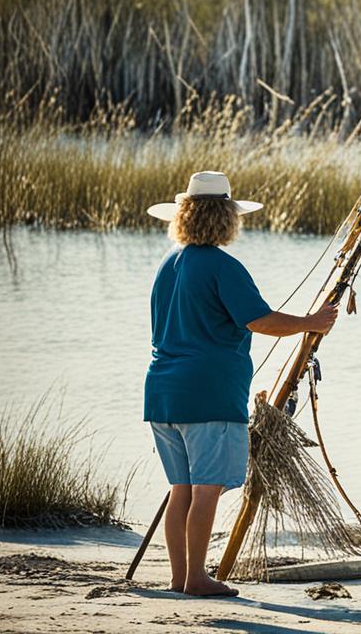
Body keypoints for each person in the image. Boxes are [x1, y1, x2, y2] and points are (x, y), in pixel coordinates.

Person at [144, 171, 338, 596]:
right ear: (226, 218)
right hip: (208, 395)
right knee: (206, 490)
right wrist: (312, 322)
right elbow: (260, 320)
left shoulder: (167, 265)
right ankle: (195, 578)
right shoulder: (221, 266)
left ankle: (181, 577)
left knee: (182, 490)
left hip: (162, 394)